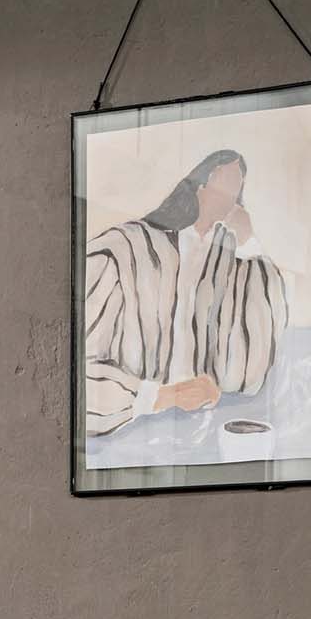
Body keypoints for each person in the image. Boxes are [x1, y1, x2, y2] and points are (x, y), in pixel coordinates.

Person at [83, 148, 289, 437]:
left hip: (203, 427)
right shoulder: (124, 251)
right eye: (223, 184)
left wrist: (249, 243)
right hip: (129, 430)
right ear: (198, 186)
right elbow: (77, 377)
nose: (230, 198)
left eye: (237, 189)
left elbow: (251, 374)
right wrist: (161, 397)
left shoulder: (234, 263)